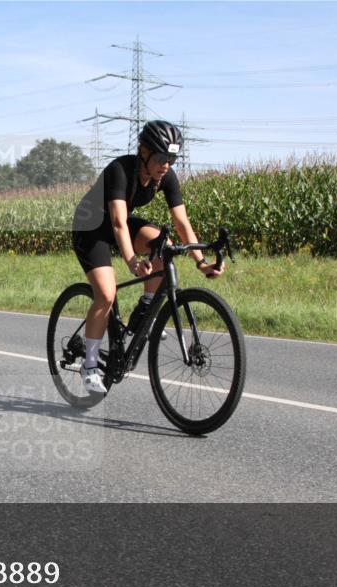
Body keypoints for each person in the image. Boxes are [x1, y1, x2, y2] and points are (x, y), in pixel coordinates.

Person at [71, 120, 224, 395]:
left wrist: (201, 262)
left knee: (165, 247)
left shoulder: (166, 177)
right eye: (161, 157)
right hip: (91, 228)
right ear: (143, 151)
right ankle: (90, 365)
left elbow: (182, 223)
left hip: (119, 225)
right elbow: (118, 223)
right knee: (106, 294)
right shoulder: (120, 170)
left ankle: (145, 310)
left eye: (172, 159)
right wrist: (131, 261)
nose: (166, 165)